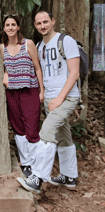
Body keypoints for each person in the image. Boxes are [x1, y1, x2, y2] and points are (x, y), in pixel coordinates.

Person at [17, 11, 80, 193]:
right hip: (51, 97)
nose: (43, 26)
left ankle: (37, 178)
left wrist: (61, 99)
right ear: (35, 25)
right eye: (39, 23)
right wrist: (43, 94)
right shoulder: (39, 46)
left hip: (65, 97)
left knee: (46, 133)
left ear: (53, 21)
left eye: (46, 22)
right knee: (63, 137)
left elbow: (74, 73)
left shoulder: (65, 41)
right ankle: (69, 176)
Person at [1, 15, 44, 178]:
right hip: (12, 92)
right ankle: (26, 163)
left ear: (18, 27)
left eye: (13, 24)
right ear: (4, 28)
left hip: (30, 90)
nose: (10, 27)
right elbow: (5, 66)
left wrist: (42, 91)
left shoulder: (28, 44)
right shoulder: (2, 47)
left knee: (31, 128)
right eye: (7, 25)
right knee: (18, 128)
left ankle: (36, 164)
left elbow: (37, 68)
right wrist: (5, 73)